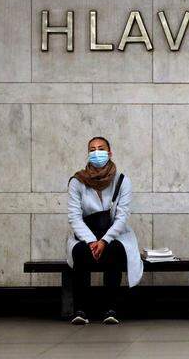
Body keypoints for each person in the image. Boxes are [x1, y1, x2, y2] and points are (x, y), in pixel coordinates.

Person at [66, 136, 143, 325]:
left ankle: (111, 308)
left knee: (114, 250)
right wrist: (92, 241)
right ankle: (81, 310)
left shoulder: (122, 181)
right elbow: (74, 216)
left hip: (113, 235)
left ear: (109, 153)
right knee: (80, 252)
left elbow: (122, 216)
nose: (96, 153)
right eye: (92, 149)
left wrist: (104, 241)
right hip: (85, 236)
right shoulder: (77, 181)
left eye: (100, 149)